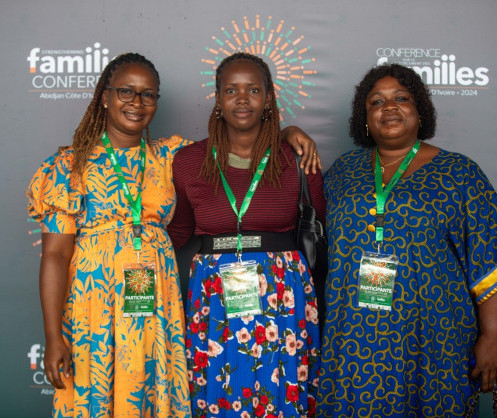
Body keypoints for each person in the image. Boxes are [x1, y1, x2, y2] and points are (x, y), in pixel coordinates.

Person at [27, 52, 319, 417]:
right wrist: (53, 335)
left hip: (157, 304)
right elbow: (55, 255)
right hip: (95, 306)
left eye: (148, 94)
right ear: (104, 96)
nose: (137, 102)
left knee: (154, 392)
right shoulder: (68, 166)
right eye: (126, 91)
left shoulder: (170, 157)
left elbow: (239, 140)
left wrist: (288, 134)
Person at [317, 63, 497, 417]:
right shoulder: (342, 171)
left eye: (401, 98)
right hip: (354, 333)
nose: (389, 107)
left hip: (434, 332)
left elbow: (488, 257)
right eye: (376, 101)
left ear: (420, 111)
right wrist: (289, 133)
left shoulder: (459, 172)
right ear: (365, 118)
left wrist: (492, 333)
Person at [168, 52, 326, 417]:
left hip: (283, 296)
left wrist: (289, 134)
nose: (242, 99)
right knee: (218, 391)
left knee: (280, 390)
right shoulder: (188, 161)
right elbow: (179, 231)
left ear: (268, 97)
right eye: (231, 90)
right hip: (212, 294)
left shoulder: (297, 159)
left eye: (253, 90)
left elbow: (320, 223)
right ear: (218, 98)